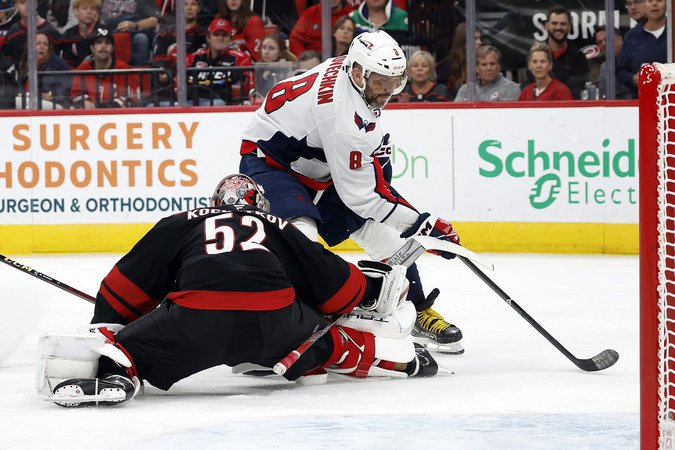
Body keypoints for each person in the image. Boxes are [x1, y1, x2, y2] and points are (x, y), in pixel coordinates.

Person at [40, 173, 437, 407]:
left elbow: (125, 284)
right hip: (276, 324)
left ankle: (118, 374)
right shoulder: (277, 226)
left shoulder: (183, 221)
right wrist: (366, 289)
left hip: (197, 323)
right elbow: (331, 283)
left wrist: (113, 328)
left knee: (123, 347)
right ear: (261, 206)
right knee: (329, 342)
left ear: (213, 204)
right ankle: (403, 361)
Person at [239, 30, 465, 355]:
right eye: (380, 83)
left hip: (317, 165)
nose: (387, 92)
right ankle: (291, 322)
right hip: (272, 164)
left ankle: (416, 307)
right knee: (300, 236)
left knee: (388, 239)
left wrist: (408, 223)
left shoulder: (351, 74)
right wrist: (423, 225)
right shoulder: (343, 117)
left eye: (394, 81)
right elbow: (363, 196)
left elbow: (368, 183)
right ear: (358, 73)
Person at [186, 17, 254, 105]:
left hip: (222, 104)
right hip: (192, 102)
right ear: (208, 37)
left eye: (224, 35)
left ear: (230, 38)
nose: (220, 38)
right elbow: (181, 85)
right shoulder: (194, 57)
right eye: (216, 34)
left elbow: (244, 87)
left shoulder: (240, 58)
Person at [151, 0, 206, 105]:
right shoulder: (166, 33)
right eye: (185, 4)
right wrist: (164, 71)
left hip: (197, 88)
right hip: (169, 88)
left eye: (193, 4)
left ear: (199, 8)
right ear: (178, 8)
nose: (189, 8)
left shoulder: (203, 35)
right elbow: (158, 58)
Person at [71, 26, 139, 108]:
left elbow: (128, 98)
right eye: (99, 42)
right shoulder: (84, 68)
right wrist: (84, 102)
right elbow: (76, 94)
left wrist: (99, 107)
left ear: (113, 48)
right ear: (92, 48)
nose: (103, 46)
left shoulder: (123, 68)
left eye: (107, 43)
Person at [616, 0, 667, 99]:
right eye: (650, 1)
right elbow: (620, 70)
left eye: (659, 0)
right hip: (641, 103)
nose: (654, 4)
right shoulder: (631, 36)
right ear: (645, 4)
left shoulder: (672, 31)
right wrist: (632, 79)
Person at [15, 30, 71, 109]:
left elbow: (64, 94)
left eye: (46, 44)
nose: (42, 47)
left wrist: (47, 95)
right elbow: (19, 87)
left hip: (55, 105)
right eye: (38, 44)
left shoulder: (59, 65)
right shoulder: (25, 64)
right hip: (29, 101)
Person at [543, 6, 588, 100]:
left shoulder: (579, 57)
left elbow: (576, 89)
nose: (558, 27)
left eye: (563, 24)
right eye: (554, 23)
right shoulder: (535, 56)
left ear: (569, 27)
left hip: (570, 110)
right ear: (546, 26)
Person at [1, 0, 61, 68]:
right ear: (16, 6)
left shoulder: (51, 32)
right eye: (22, 3)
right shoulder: (13, 33)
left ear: (36, 4)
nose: (27, 6)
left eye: (31, 2)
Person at [100, 0, 159, 66]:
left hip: (133, 35)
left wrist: (134, 25)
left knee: (141, 39)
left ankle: (138, 74)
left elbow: (154, 21)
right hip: (103, 32)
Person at [289, 0, 354, 58]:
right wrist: (304, 57)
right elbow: (295, 39)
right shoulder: (310, 13)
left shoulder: (351, 14)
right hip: (311, 62)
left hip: (339, 61)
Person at [454, 45, 520, 102]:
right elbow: (457, 113)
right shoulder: (466, 89)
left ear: (499, 66)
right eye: (484, 64)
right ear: (476, 68)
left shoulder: (511, 88)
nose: (488, 68)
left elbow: (507, 115)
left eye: (492, 64)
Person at [436, 23, 481, 100]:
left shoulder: (484, 63)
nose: (480, 42)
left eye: (480, 38)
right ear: (463, 41)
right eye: (475, 39)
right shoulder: (447, 64)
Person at [60, 0, 103, 68]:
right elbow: (66, 63)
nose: (89, 12)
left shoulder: (104, 33)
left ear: (97, 13)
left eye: (93, 9)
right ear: (75, 11)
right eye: (84, 8)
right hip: (74, 76)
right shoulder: (69, 34)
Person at [594, 25, 632, 100]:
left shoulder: (634, 60)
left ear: (620, 39)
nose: (603, 44)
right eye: (599, 42)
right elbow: (603, 99)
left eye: (607, 39)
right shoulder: (604, 67)